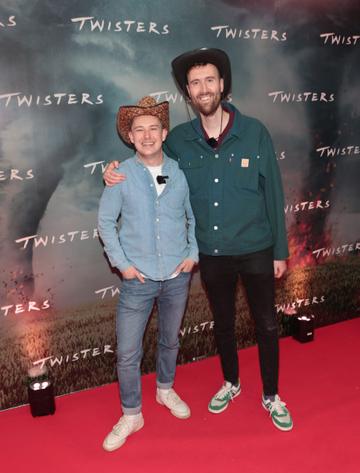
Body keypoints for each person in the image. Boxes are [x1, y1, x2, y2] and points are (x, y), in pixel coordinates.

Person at [104, 48, 293, 432]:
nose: (203, 88)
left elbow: (273, 192)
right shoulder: (177, 141)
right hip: (212, 253)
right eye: (195, 83)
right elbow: (148, 160)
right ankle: (231, 382)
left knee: (267, 325)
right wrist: (111, 172)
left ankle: (271, 395)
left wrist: (280, 251)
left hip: (257, 248)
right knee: (222, 324)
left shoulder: (255, 131)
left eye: (210, 80)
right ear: (188, 94)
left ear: (222, 85)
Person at [98, 96, 198, 452]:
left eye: (153, 128)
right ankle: (131, 413)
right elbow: (106, 223)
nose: (146, 135)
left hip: (176, 277)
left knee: (170, 340)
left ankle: (165, 390)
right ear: (130, 137)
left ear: (164, 132)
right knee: (127, 353)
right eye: (138, 130)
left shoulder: (179, 173)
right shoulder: (120, 175)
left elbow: (192, 217)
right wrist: (122, 265)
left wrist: (193, 253)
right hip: (136, 282)